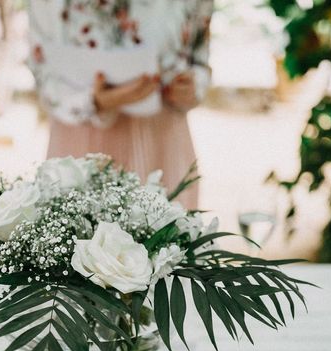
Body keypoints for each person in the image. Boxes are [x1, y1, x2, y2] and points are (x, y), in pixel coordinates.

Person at [27, 0, 213, 208]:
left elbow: (200, 58)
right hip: (80, 142)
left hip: (161, 140)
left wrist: (192, 85)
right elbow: (41, 66)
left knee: (169, 232)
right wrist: (93, 102)